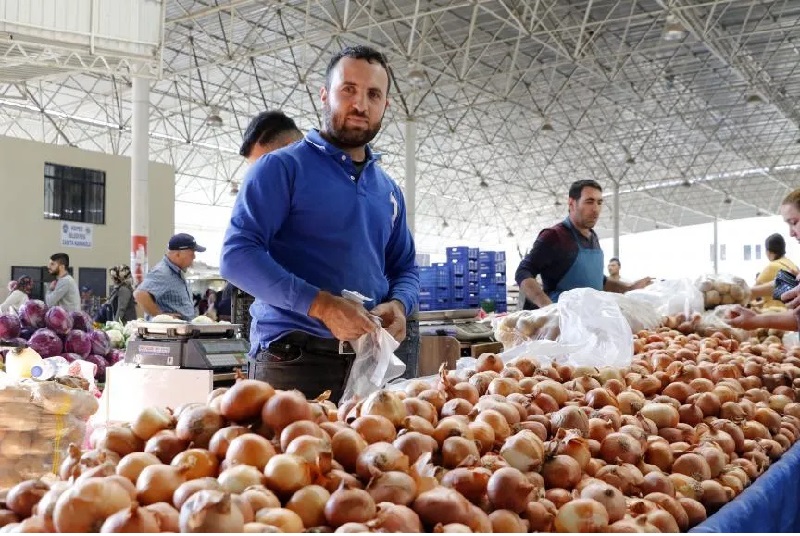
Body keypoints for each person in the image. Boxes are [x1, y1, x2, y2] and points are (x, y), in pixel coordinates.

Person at [220, 45, 419, 403]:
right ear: (325, 95)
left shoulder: (388, 191)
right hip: (291, 362)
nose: (361, 104)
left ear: (385, 106)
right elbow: (237, 256)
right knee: (290, 458)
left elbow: (404, 267)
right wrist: (322, 306)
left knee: (370, 458)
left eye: (373, 94)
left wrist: (400, 304)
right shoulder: (281, 168)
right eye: (349, 90)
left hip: (367, 361)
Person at [515, 180, 652, 309]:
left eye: (599, 202)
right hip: (563, 321)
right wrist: (548, 308)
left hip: (592, 317)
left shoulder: (593, 237)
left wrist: (630, 287)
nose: (596, 209)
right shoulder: (554, 236)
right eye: (589, 202)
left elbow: (599, 281)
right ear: (572, 203)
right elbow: (523, 271)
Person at [730, 189, 800, 332]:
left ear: (768, 252)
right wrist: (749, 294)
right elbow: (789, 287)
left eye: (794, 222)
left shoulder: (772, 267)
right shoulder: (788, 264)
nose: (791, 233)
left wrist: (756, 317)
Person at [133, 233, 205, 320]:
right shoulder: (163, 272)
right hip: (169, 332)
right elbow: (140, 295)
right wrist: (160, 316)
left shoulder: (176, 273)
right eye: (192, 253)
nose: (194, 257)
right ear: (177, 255)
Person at [748, 233, 798, 309]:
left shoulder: (772, 267)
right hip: (789, 313)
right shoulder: (792, 265)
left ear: (768, 251)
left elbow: (749, 294)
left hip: (774, 314)